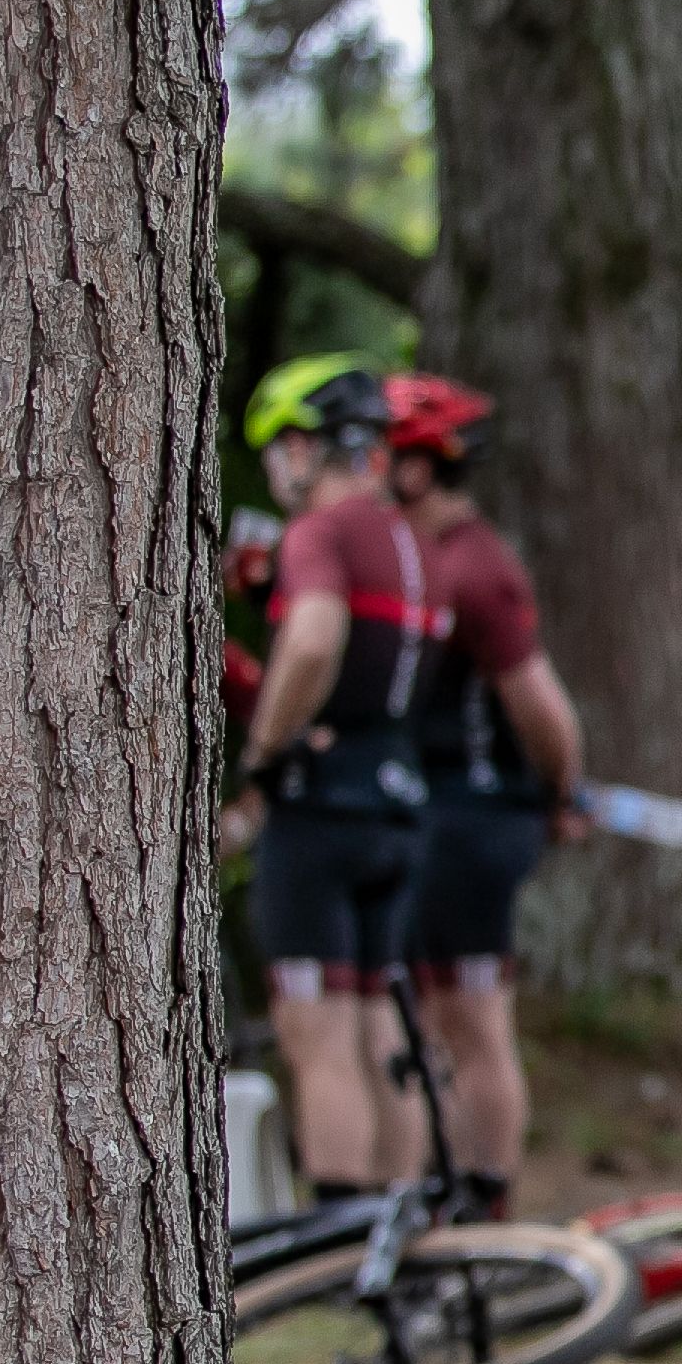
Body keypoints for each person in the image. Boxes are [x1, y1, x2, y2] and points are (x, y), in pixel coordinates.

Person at [220, 357, 442, 1196]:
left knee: (318, 1033)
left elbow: (314, 642)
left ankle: (340, 1231)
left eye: (275, 451)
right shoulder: (410, 539)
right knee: (381, 1020)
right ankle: (399, 1222)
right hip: (397, 797)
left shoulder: (319, 532)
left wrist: (263, 753)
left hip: (320, 809)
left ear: (301, 446)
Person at [384, 375, 589, 1209]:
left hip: (474, 819)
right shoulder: (412, 558)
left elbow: (542, 706)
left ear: (418, 469)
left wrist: (562, 792)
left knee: (472, 1019)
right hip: (426, 818)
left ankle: (488, 1202)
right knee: (428, 1020)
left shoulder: (474, 566)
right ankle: (438, 1202)